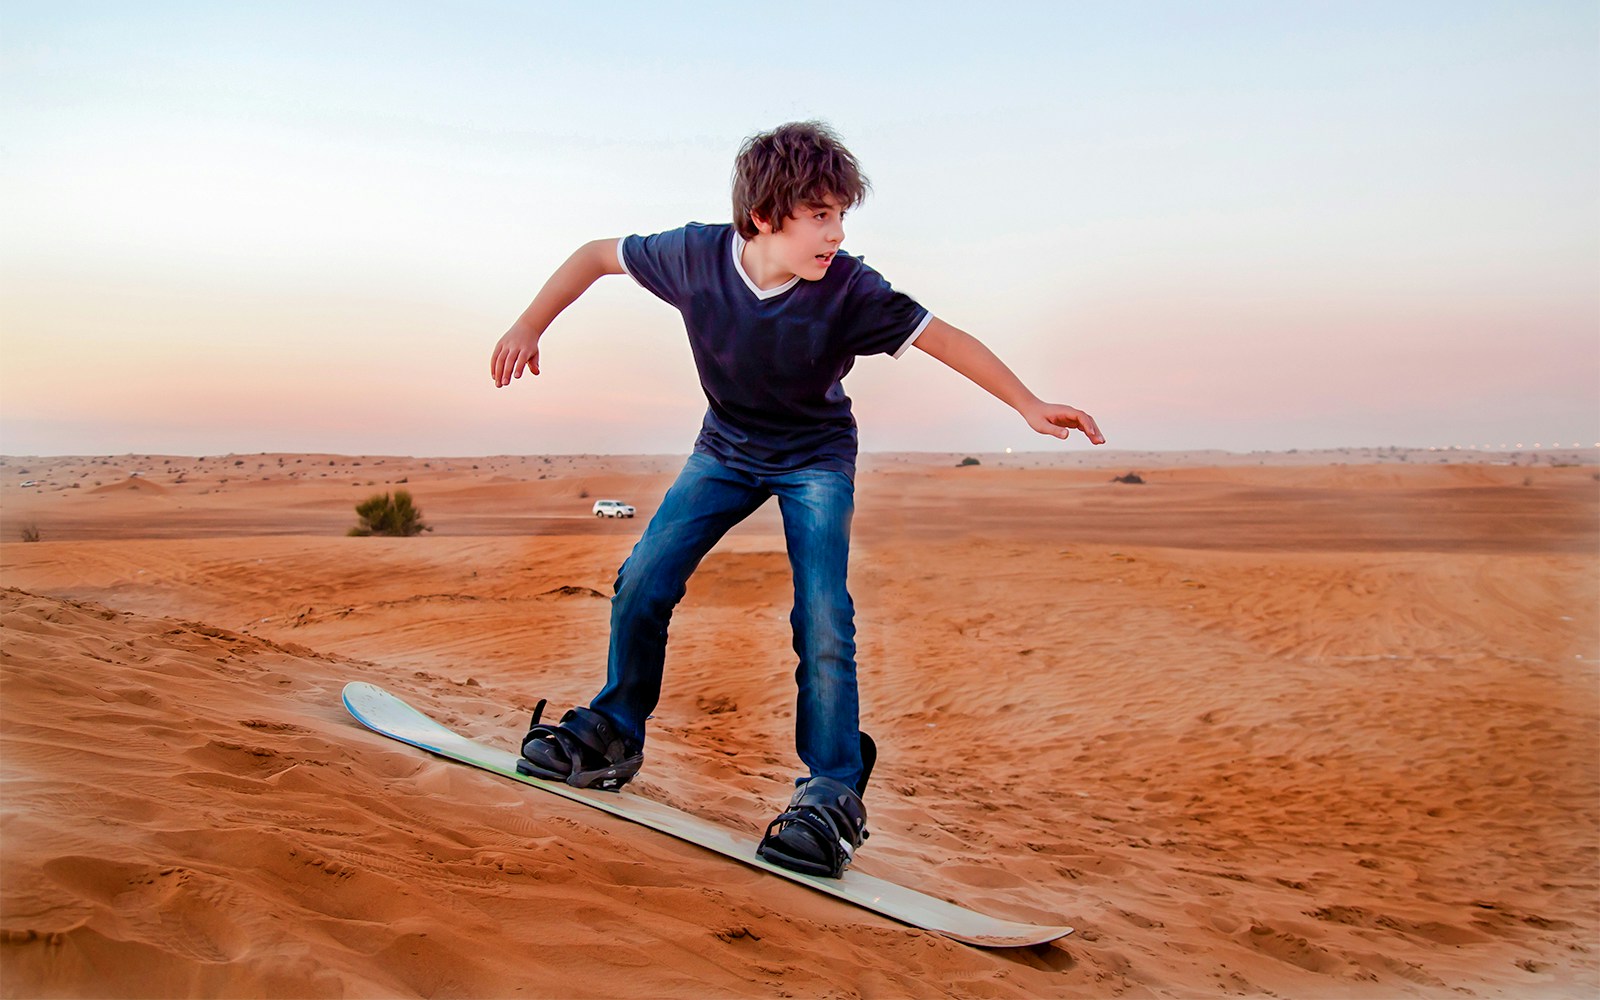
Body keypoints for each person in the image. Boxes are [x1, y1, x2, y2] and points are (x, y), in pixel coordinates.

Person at [489, 121, 1103, 878]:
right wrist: (528, 323)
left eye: (842, 215)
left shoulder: (850, 289)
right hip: (725, 450)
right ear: (763, 219)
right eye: (820, 215)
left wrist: (1027, 403)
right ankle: (614, 729)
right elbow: (593, 256)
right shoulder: (692, 256)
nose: (837, 234)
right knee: (644, 578)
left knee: (821, 614)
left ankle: (832, 792)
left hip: (814, 459)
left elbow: (944, 338)